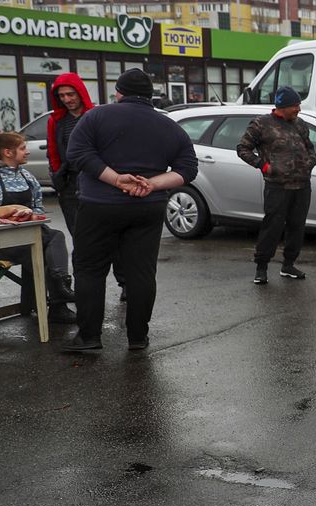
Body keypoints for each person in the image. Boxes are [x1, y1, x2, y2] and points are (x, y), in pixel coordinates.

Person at [62, 68, 197, 352]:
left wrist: (115, 178)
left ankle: (89, 337)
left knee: (89, 269)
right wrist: (152, 183)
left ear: (119, 93)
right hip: (147, 208)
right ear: (150, 96)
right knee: (141, 273)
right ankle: (138, 337)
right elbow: (188, 169)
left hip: (100, 206)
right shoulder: (169, 126)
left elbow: (77, 154)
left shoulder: (96, 116)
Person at [0, 133, 76, 324]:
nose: (28, 151)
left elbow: (38, 208)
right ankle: (59, 300)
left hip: (30, 235)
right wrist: (1, 216)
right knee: (45, 248)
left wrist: (31, 215)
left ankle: (57, 290)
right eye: (23, 148)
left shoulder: (27, 177)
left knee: (54, 237)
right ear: (8, 152)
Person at [46, 73, 127, 301]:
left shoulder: (96, 115)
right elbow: (53, 151)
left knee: (113, 235)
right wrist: (56, 176)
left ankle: (125, 282)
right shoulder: (56, 120)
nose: (67, 99)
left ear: (80, 92)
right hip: (70, 184)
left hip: (98, 181)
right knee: (81, 239)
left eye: (70, 94)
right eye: (62, 96)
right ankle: (83, 289)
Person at [236, 86, 316, 284]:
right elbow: (243, 148)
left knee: (297, 227)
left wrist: (310, 162)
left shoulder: (300, 125)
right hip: (277, 186)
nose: (299, 109)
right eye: (295, 105)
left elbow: (310, 148)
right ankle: (261, 267)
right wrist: (264, 166)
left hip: (302, 186)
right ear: (283, 106)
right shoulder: (261, 124)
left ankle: (288, 265)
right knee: (272, 227)